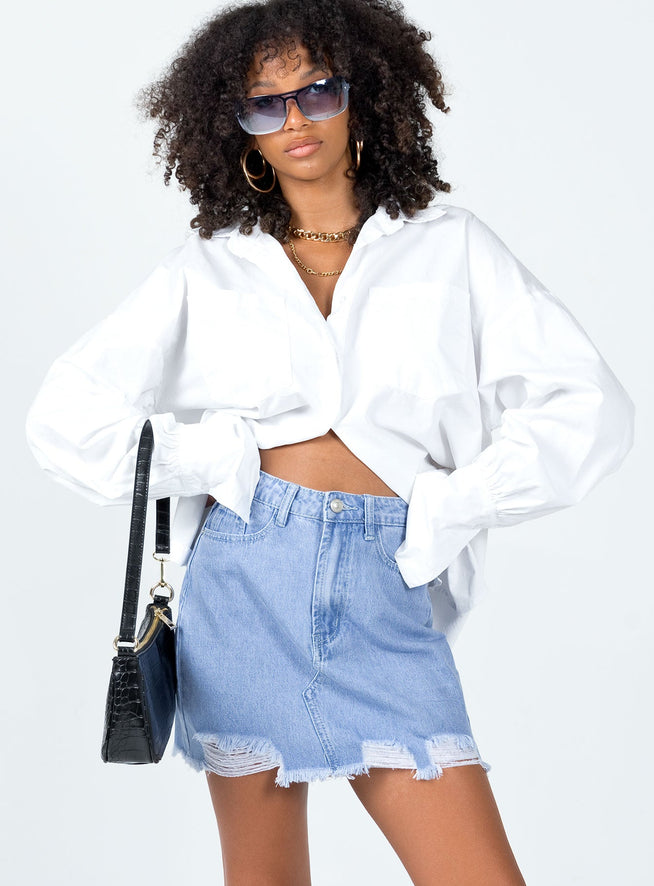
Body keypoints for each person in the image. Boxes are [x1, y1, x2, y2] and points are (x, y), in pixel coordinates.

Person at [25, 0, 634, 883]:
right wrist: (216, 460)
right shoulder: (208, 266)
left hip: (387, 586)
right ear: (239, 129)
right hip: (243, 583)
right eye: (264, 103)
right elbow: (62, 418)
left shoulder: (451, 248)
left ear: (363, 96)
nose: (295, 119)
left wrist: (453, 504)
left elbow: (590, 405)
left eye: (316, 91)